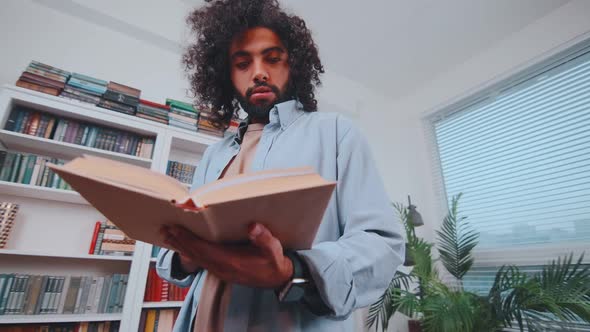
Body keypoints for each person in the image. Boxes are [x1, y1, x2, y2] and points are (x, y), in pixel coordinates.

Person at [156, 0, 405, 331]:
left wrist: (293, 272)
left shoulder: (334, 133)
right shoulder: (214, 154)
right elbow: (175, 264)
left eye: (272, 59)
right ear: (227, 76)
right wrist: (187, 254)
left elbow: (381, 246)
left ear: (294, 66)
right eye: (242, 63)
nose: (259, 72)